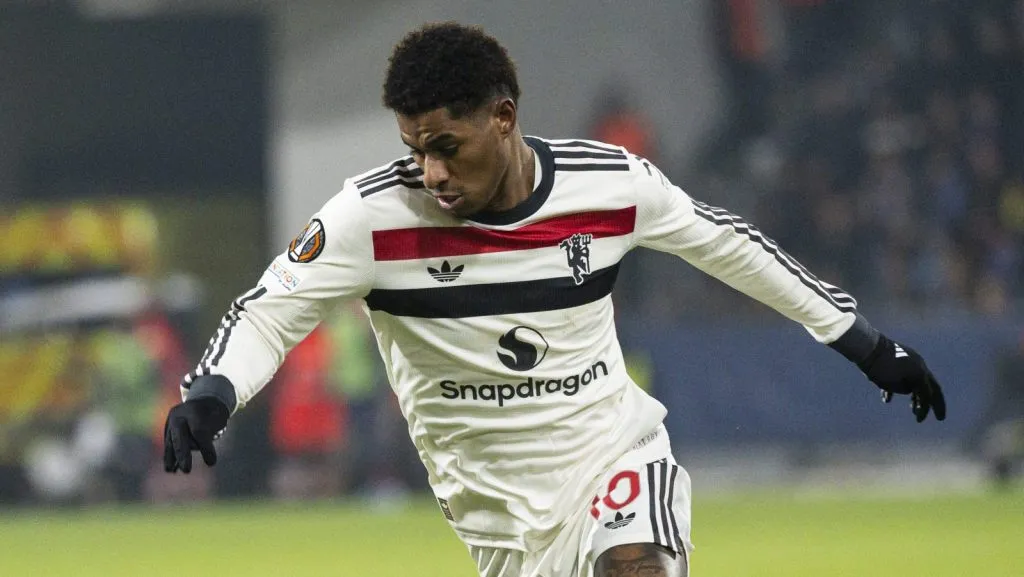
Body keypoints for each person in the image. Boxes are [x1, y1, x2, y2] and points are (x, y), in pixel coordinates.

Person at [162, 22, 946, 577]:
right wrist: (213, 390)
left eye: (446, 146)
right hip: (499, 523)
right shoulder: (372, 218)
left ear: (502, 117)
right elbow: (270, 309)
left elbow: (733, 247)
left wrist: (866, 344)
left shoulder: (608, 187)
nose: (431, 172)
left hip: (614, 456)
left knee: (635, 561)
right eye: (415, 149)